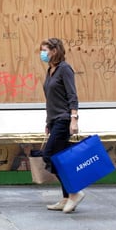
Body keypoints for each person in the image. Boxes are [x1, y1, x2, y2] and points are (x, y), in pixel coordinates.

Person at [39, 37, 85, 213]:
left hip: (64, 119)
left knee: (49, 156)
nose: (42, 53)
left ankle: (74, 193)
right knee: (61, 159)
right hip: (54, 120)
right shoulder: (50, 70)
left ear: (55, 51)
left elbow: (72, 95)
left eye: (45, 50)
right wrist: (48, 122)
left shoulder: (65, 69)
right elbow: (51, 100)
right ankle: (67, 198)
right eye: (41, 50)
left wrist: (74, 119)